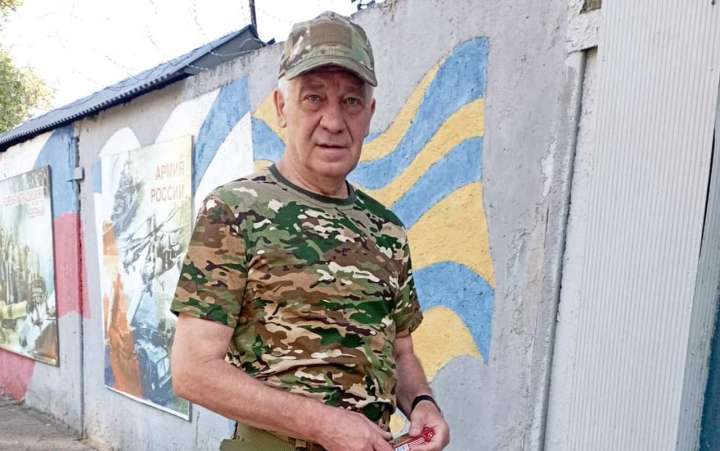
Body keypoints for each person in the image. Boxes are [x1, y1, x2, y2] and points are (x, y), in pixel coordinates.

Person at [170, 11, 450, 451]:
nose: (334, 122)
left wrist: (422, 403)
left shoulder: (387, 231)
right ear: (282, 108)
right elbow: (193, 371)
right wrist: (322, 424)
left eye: (351, 101)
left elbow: (401, 353)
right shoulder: (234, 211)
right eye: (313, 98)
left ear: (369, 114)